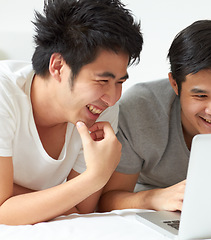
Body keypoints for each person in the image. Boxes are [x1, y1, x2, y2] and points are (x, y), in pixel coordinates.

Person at [98, 20, 211, 212]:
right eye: (200, 96)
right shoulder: (139, 111)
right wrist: (154, 198)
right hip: (155, 208)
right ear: (175, 84)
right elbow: (107, 201)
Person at [0, 0, 142, 225]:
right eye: (102, 80)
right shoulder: (4, 93)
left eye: (119, 82)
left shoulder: (100, 108)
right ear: (58, 67)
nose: (113, 97)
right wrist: (96, 176)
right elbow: (2, 212)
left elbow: (81, 209)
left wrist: (15, 197)